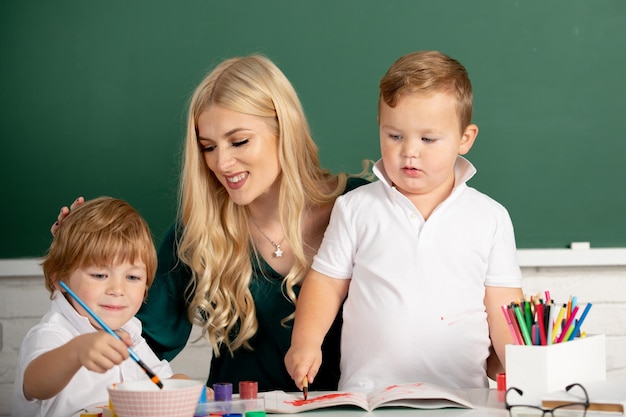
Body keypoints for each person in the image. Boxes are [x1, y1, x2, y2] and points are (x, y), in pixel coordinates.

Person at [51, 55, 369, 392]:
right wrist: (76, 262)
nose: (222, 162)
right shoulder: (198, 231)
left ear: (283, 130)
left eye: (239, 141)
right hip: (238, 412)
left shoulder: (359, 206)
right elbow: (133, 342)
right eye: (208, 147)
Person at [285, 50, 525, 392]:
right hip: (368, 394)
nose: (409, 151)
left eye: (428, 139)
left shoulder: (490, 218)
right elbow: (325, 284)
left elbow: (505, 307)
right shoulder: (355, 209)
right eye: (394, 136)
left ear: (465, 139)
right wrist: (305, 342)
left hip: (462, 396)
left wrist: (523, 373)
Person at [13, 197, 187, 417]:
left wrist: (177, 384)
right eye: (99, 275)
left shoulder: (131, 334)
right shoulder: (52, 334)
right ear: (59, 279)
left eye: (132, 277)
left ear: (146, 288)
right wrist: (75, 352)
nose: (117, 289)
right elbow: (34, 384)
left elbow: (158, 384)